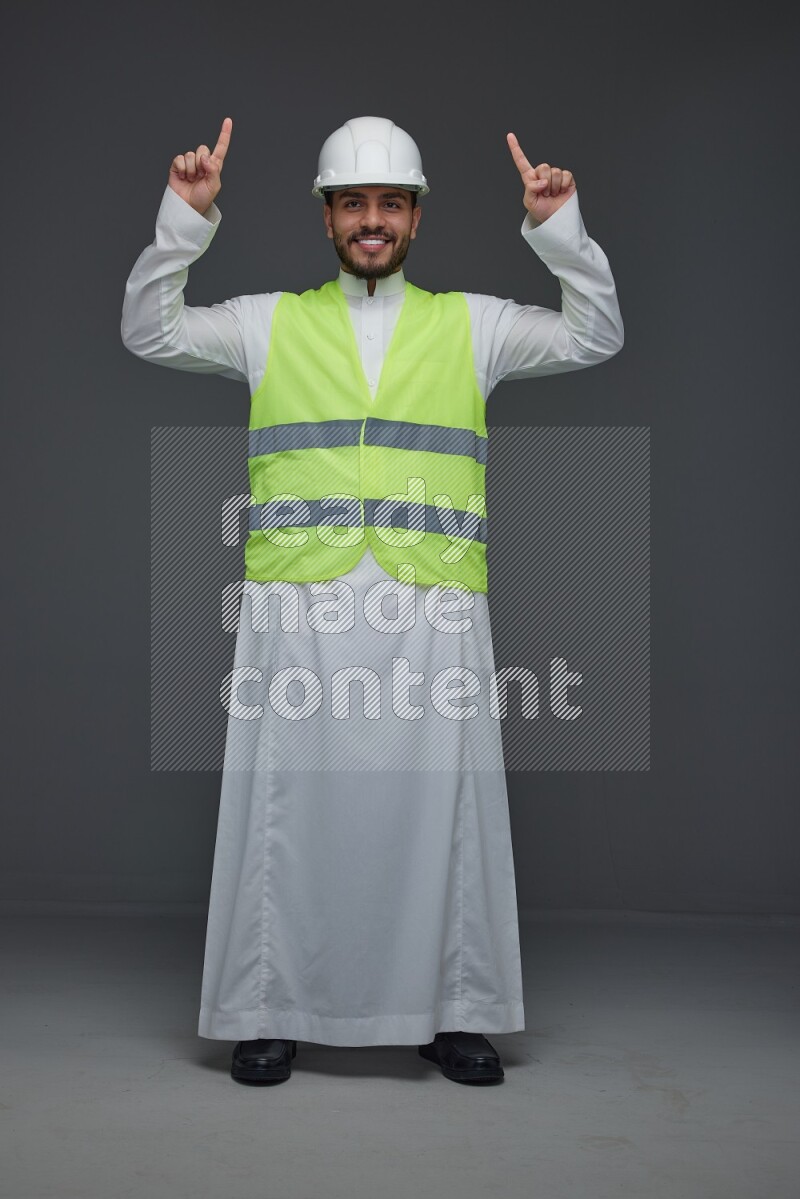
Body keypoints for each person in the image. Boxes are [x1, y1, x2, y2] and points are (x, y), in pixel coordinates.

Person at [121, 114, 624, 1087]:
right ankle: (265, 1009)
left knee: (447, 810)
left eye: (389, 202)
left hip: (430, 605)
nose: (371, 219)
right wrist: (185, 219)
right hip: (294, 602)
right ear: (325, 216)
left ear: (415, 215)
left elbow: (594, 333)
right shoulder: (267, 321)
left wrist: (559, 230)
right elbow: (149, 329)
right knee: (284, 810)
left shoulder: (472, 324)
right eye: (352, 202)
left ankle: (458, 1011)